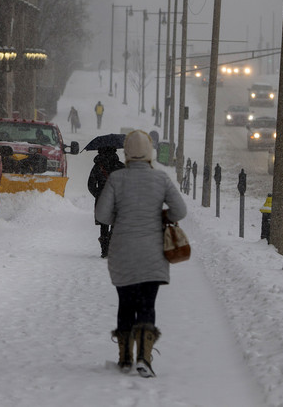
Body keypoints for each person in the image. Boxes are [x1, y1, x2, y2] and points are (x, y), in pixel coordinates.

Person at [95, 130, 186, 378]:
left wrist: (121, 218)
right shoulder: (161, 179)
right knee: (147, 304)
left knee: (126, 303)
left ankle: (124, 358)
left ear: (126, 153)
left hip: (122, 252)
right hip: (152, 254)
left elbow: (102, 215)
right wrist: (161, 216)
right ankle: (144, 358)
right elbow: (180, 210)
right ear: (150, 152)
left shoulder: (116, 179)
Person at [87, 146, 124, 258]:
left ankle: (104, 250)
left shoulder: (98, 167)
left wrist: (98, 194)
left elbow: (90, 185)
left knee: (103, 225)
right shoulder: (120, 166)